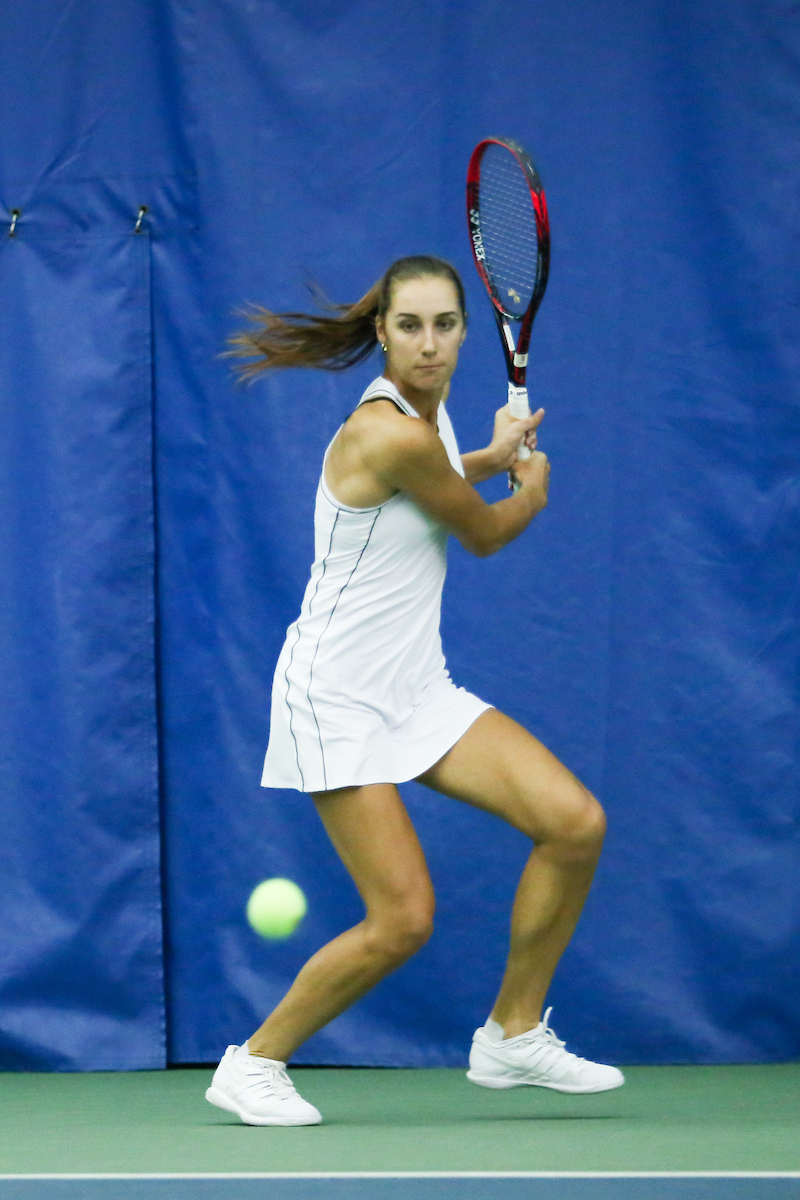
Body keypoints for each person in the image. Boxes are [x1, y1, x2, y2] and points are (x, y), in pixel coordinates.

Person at [205, 255, 624, 1127]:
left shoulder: (426, 425)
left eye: (444, 326)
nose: (429, 345)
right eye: (410, 327)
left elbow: (430, 482)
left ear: (467, 332)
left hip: (414, 685)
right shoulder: (387, 430)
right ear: (382, 332)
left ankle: (511, 1034)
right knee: (402, 919)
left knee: (573, 824)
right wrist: (530, 490)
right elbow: (483, 537)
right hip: (336, 695)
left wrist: (488, 454)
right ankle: (252, 1063)